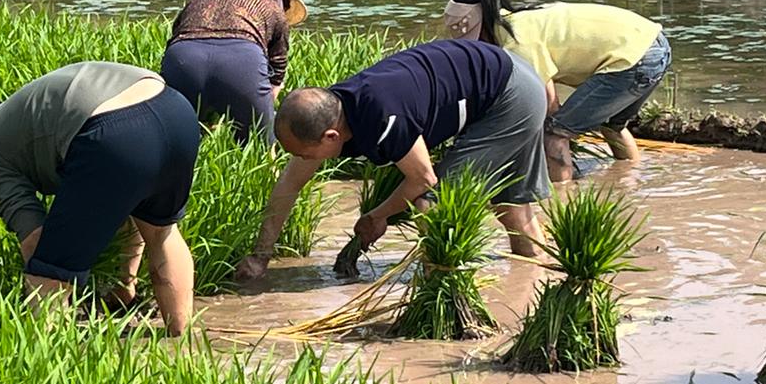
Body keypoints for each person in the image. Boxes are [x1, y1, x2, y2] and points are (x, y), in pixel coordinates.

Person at [235, 39, 550, 281]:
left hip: (509, 96)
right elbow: (289, 185)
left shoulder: (382, 117)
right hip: (511, 75)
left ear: (330, 137)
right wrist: (261, 256)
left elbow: (424, 179)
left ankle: (440, 286)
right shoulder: (330, 111)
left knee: (433, 203)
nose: (301, 160)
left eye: (304, 154)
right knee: (510, 204)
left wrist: (378, 215)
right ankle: (533, 281)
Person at [0, 61, 200, 335]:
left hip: (113, 131)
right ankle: (181, 339)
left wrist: (57, 277)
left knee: (48, 268)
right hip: (176, 113)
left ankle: (47, 349)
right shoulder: (29, 114)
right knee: (161, 232)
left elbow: (35, 238)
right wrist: (123, 285)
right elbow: (128, 204)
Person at [445, 0, 672, 183]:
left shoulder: (516, 41)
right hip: (652, 43)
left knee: (554, 132)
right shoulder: (521, 19)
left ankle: (561, 196)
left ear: (482, 27)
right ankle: (630, 182)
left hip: (632, 59)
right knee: (612, 125)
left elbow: (549, 104)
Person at [161, 0, 307, 145]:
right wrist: (261, 111)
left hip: (182, 57)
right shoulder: (273, 8)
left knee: (176, 138)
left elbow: (176, 36)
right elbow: (276, 72)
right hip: (241, 59)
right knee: (258, 143)